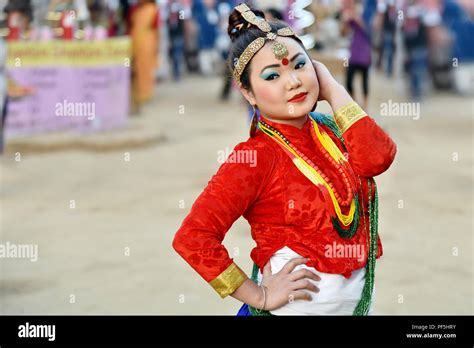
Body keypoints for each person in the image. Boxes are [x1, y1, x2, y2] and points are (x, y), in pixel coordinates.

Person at [173, 3, 397, 316]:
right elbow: (193, 237)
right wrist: (259, 296)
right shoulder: (255, 158)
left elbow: (378, 159)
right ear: (248, 93)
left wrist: (332, 89)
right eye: (273, 75)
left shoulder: (331, 130)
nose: (292, 81)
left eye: (299, 65)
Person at [129, 0, 159, 113]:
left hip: (147, 40)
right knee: (137, 67)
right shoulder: (137, 9)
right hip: (137, 39)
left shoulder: (152, 9)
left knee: (146, 67)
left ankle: (146, 92)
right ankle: (139, 92)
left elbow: (155, 26)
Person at [342, 0, 372, 111]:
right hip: (354, 52)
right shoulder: (349, 14)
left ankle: (365, 105)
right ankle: (355, 103)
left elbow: (369, 31)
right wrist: (345, 21)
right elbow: (343, 33)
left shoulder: (366, 12)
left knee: (364, 79)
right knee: (349, 80)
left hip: (364, 52)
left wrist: (356, 18)